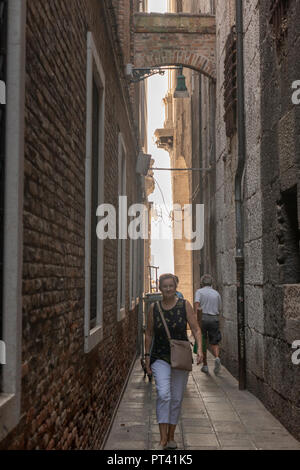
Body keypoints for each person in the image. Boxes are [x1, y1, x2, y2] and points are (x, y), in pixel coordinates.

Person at [145, 273, 203, 450]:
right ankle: (162, 439)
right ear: (160, 288)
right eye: (165, 286)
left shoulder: (184, 305)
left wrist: (199, 349)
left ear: (175, 287)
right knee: (164, 394)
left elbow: (196, 329)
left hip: (180, 357)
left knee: (176, 398)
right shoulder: (154, 308)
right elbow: (149, 333)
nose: (168, 289)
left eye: (171, 286)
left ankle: (171, 436)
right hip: (160, 356)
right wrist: (147, 357)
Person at [194, 274, 222, 375]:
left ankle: (205, 365)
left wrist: (196, 321)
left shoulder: (199, 292)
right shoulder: (216, 293)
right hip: (214, 318)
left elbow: (197, 306)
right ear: (211, 283)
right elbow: (219, 309)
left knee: (203, 341)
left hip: (203, 319)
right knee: (215, 341)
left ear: (202, 283)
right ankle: (217, 357)